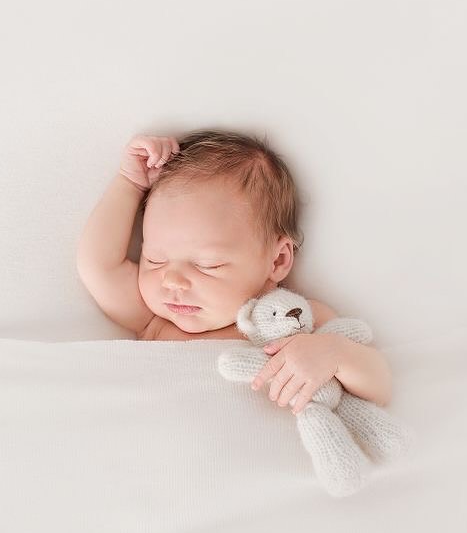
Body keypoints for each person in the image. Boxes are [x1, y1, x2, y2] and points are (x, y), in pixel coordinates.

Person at [77, 130, 392, 413]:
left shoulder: (298, 321)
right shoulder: (155, 321)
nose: (171, 280)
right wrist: (130, 184)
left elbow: (380, 386)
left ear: (277, 261)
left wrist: (334, 355)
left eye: (207, 265)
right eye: (155, 260)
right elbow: (99, 266)